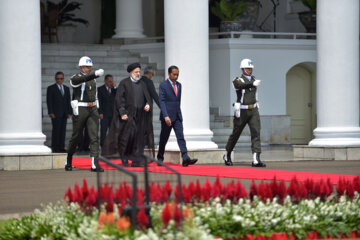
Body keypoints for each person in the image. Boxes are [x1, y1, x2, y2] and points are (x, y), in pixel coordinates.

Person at [101, 63, 154, 167]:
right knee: (128, 137)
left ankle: (136, 160)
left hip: (141, 116)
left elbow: (147, 97)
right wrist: (122, 113)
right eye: (136, 72)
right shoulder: (124, 83)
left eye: (139, 71)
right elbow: (119, 100)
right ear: (131, 72)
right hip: (129, 116)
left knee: (139, 139)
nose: (138, 74)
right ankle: (124, 158)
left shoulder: (142, 83)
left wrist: (148, 104)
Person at [223, 58, 266, 167]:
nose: (249, 70)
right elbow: (239, 86)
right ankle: (227, 154)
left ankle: (256, 159)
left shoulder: (254, 79)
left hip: (253, 110)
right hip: (242, 110)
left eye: (250, 68)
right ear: (242, 69)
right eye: (247, 68)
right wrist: (252, 84)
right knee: (236, 133)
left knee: (256, 133)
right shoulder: (238, 80)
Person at [65, 56, 104, 172]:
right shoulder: (75, 78)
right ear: (81, 67)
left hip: (92, 108)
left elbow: (95, 94)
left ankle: (94, 163)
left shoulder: (93, 79)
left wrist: (98, 108)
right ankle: (69, 159)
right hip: (81, 109)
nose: (89, 68)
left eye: (90, 67)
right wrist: (95, 74)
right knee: (76, 136)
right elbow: (80, 81)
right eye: (87, 67)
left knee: (94, 136)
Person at [157, 65, 198, 167]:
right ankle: (160, 158)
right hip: (167, 117)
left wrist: (179, 114)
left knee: (181, 137)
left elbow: (177, 101)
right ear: (169, 74)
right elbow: (161, 101)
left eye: (177, 74)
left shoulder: (179, 85)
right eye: (174, 74)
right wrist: (165, 116)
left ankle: (185, 158)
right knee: (164, 138)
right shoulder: (163, 85)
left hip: (177, 116)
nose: (176, 76)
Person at [46, 71, 71, 153]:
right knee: (56, 131)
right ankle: (55, 147)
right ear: (55, 79)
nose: (59, 80)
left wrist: (69, 112)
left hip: (64, 113)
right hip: (55, 114)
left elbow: (68, 101)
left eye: (61, 79)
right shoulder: (51, 88)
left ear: (63, 79)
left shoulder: (66, 89)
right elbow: (49, 101)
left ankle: (61, 147)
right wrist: (51, 112)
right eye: (57, 79)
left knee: (62, 131)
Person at [98, 74, 117, 147]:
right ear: (105, 81)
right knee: (103, 131)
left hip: (112, 114)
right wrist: (100, 112)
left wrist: (115, 87)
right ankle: (102, 146)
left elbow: (118, 96)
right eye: (109, 81)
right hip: (104, 114)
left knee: (112, 131)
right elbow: (99, 101)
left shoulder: (114, 89)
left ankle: (112, 146)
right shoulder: (100, 89)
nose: (111, 83)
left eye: (112, 81)